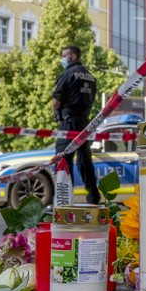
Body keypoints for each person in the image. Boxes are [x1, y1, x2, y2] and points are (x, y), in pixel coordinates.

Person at [52, 45, 101, 204]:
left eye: (64, 55)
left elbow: (56, 101)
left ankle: (64, 200)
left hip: (68, 122)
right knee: (85, 161)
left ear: (73, 56)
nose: (62, 58)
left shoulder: (67, 74)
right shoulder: (90, 77)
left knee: (63, 160)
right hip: (85, 123)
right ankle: (93, 197)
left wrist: (56, 114)